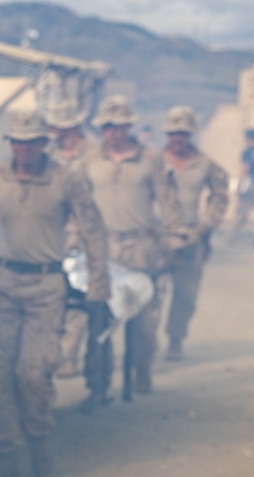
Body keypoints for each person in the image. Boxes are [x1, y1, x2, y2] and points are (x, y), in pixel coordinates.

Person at [0, 112, 109, 477]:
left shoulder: (66, 180)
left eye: (31, 141)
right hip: (3, 284)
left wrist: (99, 284)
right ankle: (6, 450)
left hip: (46, 287)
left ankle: (39, 443)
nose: (23, 148)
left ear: (43, 143)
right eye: (17, 141)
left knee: (32, 372)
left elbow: (93, 231)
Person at [78, 95, 168, 398]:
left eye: (118, 127)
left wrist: (173, 241)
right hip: (102, 250)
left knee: (142, 323)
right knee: (99, 323)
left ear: (129, 126)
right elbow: (78, 202)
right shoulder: (90, 159)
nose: (112, 133)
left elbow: (168, 202)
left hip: (140, 248)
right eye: (107, 127)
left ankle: (140, 373)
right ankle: (97, 385)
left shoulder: (151, 159)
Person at [158, 106, 229, 360]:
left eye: (183, 134)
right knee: (150, 294)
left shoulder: (206, 165)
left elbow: (220, 196)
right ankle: (144, 344)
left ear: (192, 135)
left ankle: (175, 338)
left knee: (185, 295)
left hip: (190, 240)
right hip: (157, 240)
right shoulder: (153, 163)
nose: (178, 139)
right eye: (174, 133)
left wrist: (204, 226)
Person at [46, 100, 93, 381]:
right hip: (52, 238)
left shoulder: (94, 155)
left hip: (83, 239)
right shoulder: (48, 154)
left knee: (77, 302)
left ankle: (69, 356)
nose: (53, 130)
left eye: (58, 126)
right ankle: (54, 353)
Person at [229, 128, 254, 244]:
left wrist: (239, 184)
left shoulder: (247, 152)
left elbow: (245, 169)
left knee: (240, 214)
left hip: (250, 186)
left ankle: (230, 240)